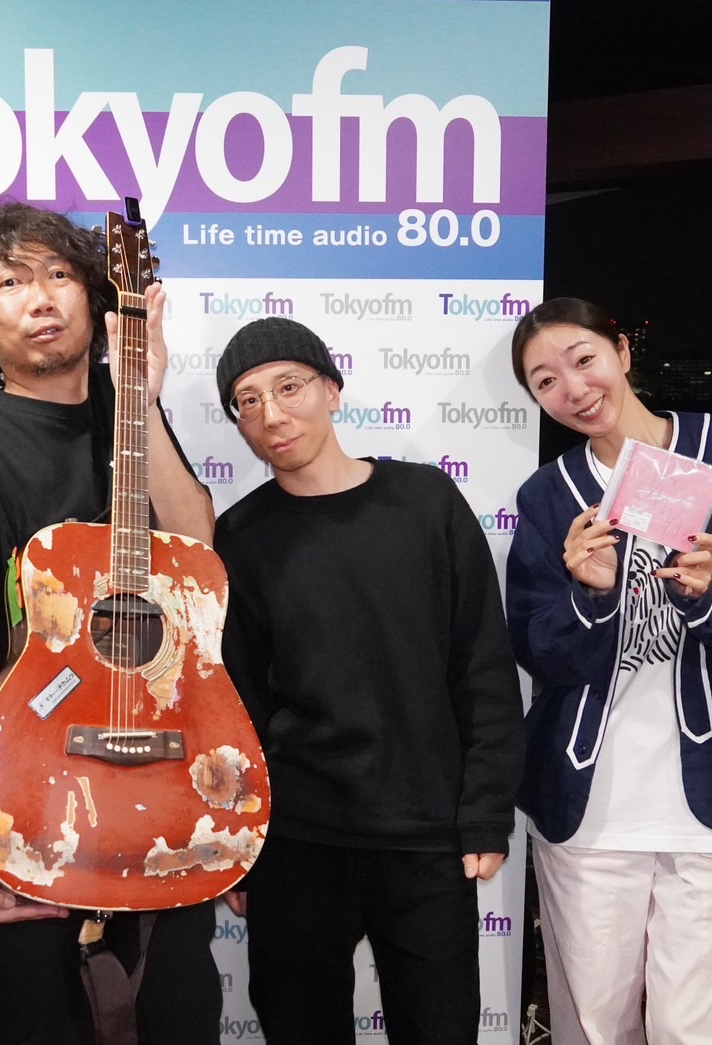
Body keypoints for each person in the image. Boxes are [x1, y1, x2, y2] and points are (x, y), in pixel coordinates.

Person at [0, 200, 220, 1044]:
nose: (39, 298)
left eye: (60, 274)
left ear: (97, 296)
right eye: (10, 282)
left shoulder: (130, 416)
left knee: (179, 1015)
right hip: (26, 796)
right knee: (41, 1020)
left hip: (162, 788)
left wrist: (141, 395)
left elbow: (195, 548)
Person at [504, 297, 712, 1045]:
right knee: (592, 1022)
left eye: (583, 359)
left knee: (696, 1027)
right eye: (544, 381)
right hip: (590, 799)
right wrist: (588, 596)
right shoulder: (550, 495)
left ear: (621, 350)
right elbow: (537, 645)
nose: (573, 388)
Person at [213, 316, 525, 1045]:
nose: (271, 414)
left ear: (331, 389)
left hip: (424, 833)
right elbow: (238, 703)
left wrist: (485, 813)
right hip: (295, 838)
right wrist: (238, 845)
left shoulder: (425, 501)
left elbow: (481, 664)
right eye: (247, 401)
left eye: (287, 387)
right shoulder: (241, 534)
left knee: (441, 1029)